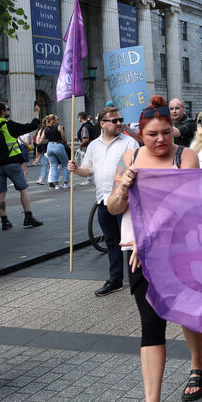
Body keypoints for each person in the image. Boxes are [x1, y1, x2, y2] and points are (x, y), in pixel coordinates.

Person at [105, 97, 202, 402]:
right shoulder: (130, 158)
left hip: (178, 252)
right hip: (138, 255)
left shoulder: (185, 157)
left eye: (165, 132)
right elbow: (114, 207)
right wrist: (124, 187)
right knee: (151, 324)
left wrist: (153, 247)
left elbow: (188, 209)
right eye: (151, 134)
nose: (160, 140)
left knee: (186, 313)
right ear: (140, 134)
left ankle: (197, 365)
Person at [69, 107, 140, 298]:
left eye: (120, 120)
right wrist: (75, 169)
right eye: (114, 121)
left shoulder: (129, 142)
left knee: (129, 242)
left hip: (125, 200)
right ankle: (115, 279)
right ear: (103, 124)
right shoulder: (93, 145)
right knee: (111, 241)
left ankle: (137, 280)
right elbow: (87, 170)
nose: (119, 123)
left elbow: (136, 168)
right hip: (102, 200)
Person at [0, 102, 44, 231]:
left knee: (1, 193)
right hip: (12, 163)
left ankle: (4, 221)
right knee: (23, 189)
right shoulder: (7, 125)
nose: (8, 111)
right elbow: (31, 126)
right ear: (2, 112)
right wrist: (36, 113)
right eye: (7, 109)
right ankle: (28, 217)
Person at [39, 114, 71, 189]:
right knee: (65, 164)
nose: (58, 121)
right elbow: (63, 137)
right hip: (58, 144)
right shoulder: (59, 127)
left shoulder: (46, 129)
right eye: (57, 119)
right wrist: (65, 144)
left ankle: (56, 184)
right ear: (54, 120)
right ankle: (66, 183)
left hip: (49, 146)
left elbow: (41, 140)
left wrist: (50, 140)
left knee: (53, 166)